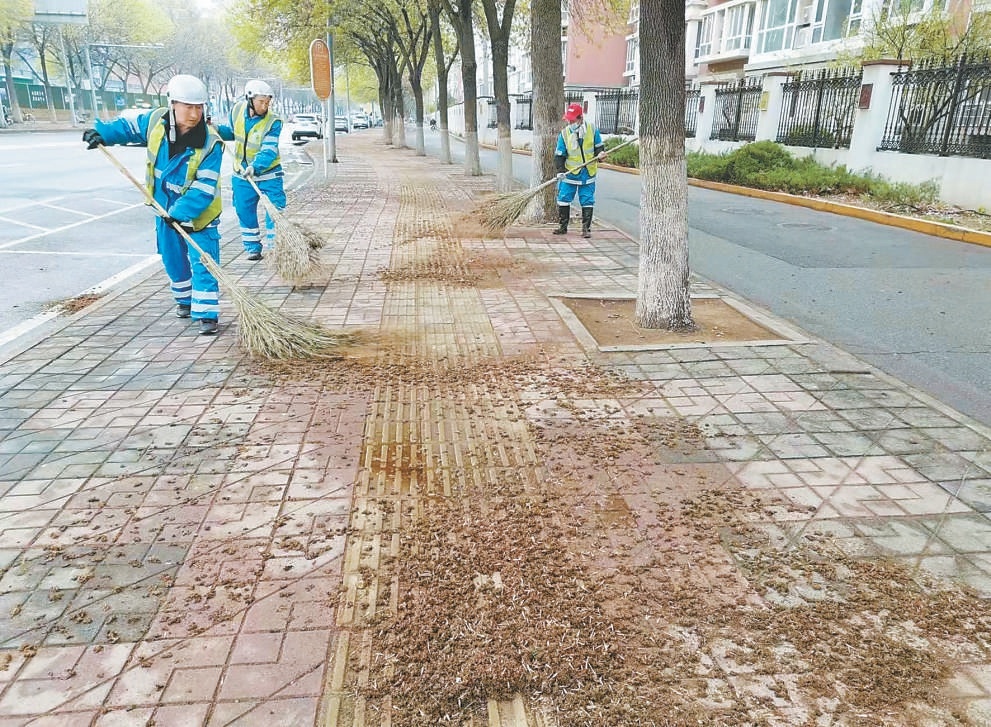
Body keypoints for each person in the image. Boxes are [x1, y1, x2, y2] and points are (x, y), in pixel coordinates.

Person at [81, 74, 223, 336]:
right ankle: (184, 300)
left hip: (200, 215)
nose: (194, 114)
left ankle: (207, 314)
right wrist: (102, 134)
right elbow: (128, 127)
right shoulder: (156, 122)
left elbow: (204, 188)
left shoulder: (210, 143)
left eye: (199, 107)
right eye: (188, 107)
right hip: (164, 207)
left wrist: (179, 214)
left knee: (203, 262)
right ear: (172, 104)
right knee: (173, 258)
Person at [215, 79, 286, 261]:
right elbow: (233, 132)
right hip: (241, 176)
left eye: (268, 102)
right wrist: (216, 129)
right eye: (261, 102)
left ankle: (274, 250)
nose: (265, 106)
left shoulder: (274, 122)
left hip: (269, 175)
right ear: (250, 99)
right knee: (243, 210)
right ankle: (252, 248)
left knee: (274, 212)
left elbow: (268, 150)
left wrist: (255, 167)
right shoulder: (237, 111)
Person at [553, 102, 608, 238]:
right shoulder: (564, 134)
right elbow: (559, 155)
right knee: (563, 198)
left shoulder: (592, 130)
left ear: (580, 118)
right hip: (570, 173)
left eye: (572, 120)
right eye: (569, 120)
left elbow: (599, 148)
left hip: (588, 173)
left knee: (587, 200)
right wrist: (560, 170)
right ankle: (563, 226)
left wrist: (601, 155)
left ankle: (586, 229)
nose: (570, 123)